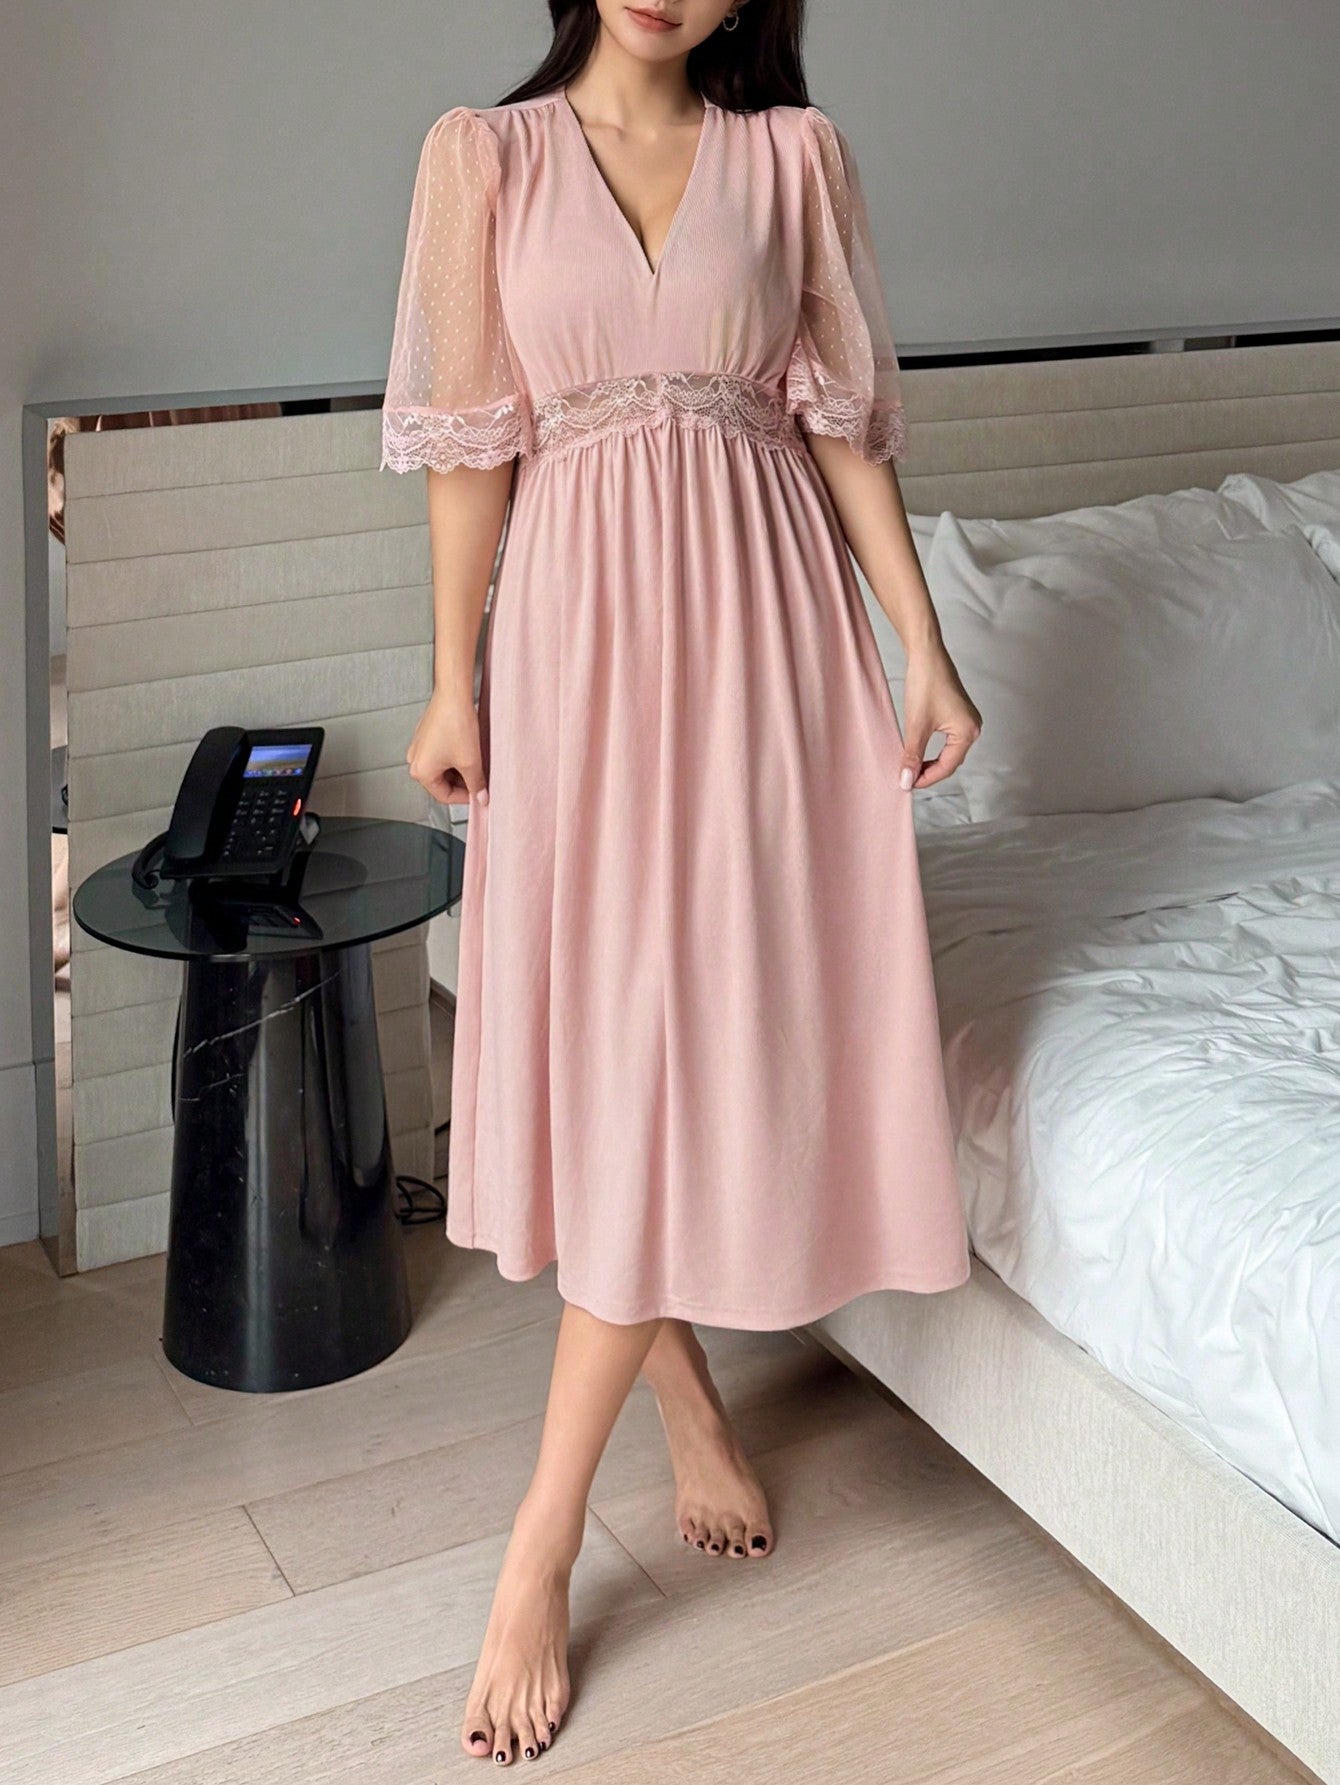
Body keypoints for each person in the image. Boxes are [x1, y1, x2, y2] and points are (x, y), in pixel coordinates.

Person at [380, 0, 982, 1764]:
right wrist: (451, 677)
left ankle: (543, 1536)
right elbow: (474, 445)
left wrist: (923, 642)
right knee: (612, 1042)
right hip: (577, 643)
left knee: (693, 1031)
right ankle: (672, 1405)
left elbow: (841, 426)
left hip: (768, 639)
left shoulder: (796, 160)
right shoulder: (481, 159)